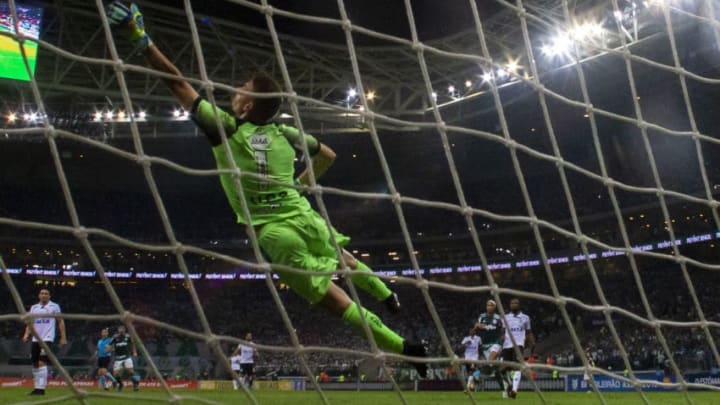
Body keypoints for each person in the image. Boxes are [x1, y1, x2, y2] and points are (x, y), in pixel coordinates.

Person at [105, 2, 427, 377]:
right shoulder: (284, 133)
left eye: (242, 89)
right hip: (304, 215)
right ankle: (388, 295)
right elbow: (327, 154)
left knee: (333, 301)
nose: (235, 89)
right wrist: (300, 185)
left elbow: (177, 81)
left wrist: (141, 39)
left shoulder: (227, 128)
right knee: (343, 258)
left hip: (274, 233)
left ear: (245, 106)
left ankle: (402, 347)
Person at [22, 288, 66, 396]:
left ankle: (41, 389)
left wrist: (63, 337)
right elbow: (30, 323)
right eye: (42, 293)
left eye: (46, 293)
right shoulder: (34, 307)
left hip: (47, 338)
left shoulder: (54, 306)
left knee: (42, 362)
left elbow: (60, 321)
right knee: (35, 364)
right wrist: (26, 334)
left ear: (49, 296)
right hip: (35, 338)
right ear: (39, 295)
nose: (44, 295)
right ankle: (37, 388)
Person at [500, 297, 535, 399]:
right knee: (502, 370)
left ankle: (514, 390)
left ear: (519, 305)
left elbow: (529, 332)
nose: (514, 305)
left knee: (517, 368)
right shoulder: (505, 317)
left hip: (518, 345)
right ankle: (510, 385)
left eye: (516, 303)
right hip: (506, 345)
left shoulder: (525, 318)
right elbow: (502, 331)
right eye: (512, 303)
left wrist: (532, 342)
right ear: (510, 305)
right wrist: (501, 337)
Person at [474, 299, 505, 394]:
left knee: (491, 360)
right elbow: (476, 326)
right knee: (496, 371)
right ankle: (504, 388)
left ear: (494, 307)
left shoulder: (499, 318)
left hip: (496, 343)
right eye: (487, 305)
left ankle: (489, 366)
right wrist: (479, 326)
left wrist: (502, 340)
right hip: (485, 345)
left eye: (491, 305)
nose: (489, 307)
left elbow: (503, 330)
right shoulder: (482, 316)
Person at [106, 325, 140, 392]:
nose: (121, 331)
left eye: (122, 330)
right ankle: (121, 384)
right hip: (118, 358)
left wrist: (134, 352)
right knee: (115, 374)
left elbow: (133, 344)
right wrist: (108, 349)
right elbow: (110, 345)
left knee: (130, 371)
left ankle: (135, 384)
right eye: (119, 330)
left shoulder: (128, 336)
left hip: (127, 356)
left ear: (124, 330)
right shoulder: (115, 337)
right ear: (118, 330)